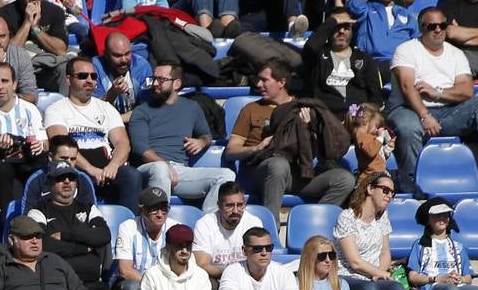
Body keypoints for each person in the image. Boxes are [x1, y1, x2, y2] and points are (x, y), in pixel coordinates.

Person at [387, 6, 478, 194]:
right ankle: (411, 181)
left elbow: (467, 90)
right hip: (409, 109)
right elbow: (407, 87)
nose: (437, 30)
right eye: (431, 26)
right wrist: (425, 115)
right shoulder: (406, 50)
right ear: (421, 28)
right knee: (408, 127)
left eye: (442, 25)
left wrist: (436, 92)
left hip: (448, 111)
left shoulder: (456, 54)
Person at [225, 59, 355, 219]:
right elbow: (231, 151)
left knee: (345, 179)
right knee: (278, 164)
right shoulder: (251, 109)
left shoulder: (304, 108)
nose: (258, 84)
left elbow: (315, 154)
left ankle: (313, 224)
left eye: (264, 80)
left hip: (296, 174)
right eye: (258, 80)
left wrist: (307, 129)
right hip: (260, 172)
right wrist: (257, 148)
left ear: (281, 82)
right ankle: (271, 230)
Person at [127, 61, 235, 212]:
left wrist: (202, 141)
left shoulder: (191, 107)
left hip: (180, 171)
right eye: (153, 79)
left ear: (177, 84)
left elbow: (206, 135)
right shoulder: (141, 111)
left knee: (226, 175)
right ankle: (159, 227)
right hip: (150, 169)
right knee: (160, 169)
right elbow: (141, 149)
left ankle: (206, 225)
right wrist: (165, 164)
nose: (155, 84)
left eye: (161, 79)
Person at [43, 55, 142, 211]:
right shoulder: (56, 109)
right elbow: (60, 145)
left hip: (107, 167)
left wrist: (113, 166)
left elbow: (122, 143)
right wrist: (90, 169)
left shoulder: (106, 108)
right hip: (75, 168)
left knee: (132, 175)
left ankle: (129, 225)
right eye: (83, 76)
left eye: (93, 76)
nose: (89, 80)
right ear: (68, 80)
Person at [25, 161, 115, 290]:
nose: (67, 182)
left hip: (90, 282)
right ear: (49, 183)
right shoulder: (38, 211)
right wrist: (83, 247)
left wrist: (66, 235)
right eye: (60, 178)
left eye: (71, 178)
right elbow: (43, 244)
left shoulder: (88, 208)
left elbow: (103, 235)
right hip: (56, 282)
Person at [0, 63, 48, 217]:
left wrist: (40, 146)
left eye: (5, 81)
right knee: (2, 170)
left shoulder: (29, 109)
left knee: (44, 164)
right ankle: (7, 224)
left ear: (14, 84)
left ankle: (41, 218)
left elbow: (44, 143)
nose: (0, 87)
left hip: (25, 160)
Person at [333, 172, 403, 290]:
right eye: (385, 190)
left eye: (392, 193)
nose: (389, 196)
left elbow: (385, 252)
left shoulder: (383, 217)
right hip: (347, 276)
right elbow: (354, 262)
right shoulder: (347, 217)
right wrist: (380, 274)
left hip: (374, 276)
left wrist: (379, 274)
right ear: (370, 189)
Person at [301, 8, 384, 116]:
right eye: (337, 27)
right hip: (325, 117)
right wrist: (332, 21)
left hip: (357, 121)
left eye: (346, 27)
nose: (341, 31)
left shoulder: (364, 59)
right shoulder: (318, 56)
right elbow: (310, 47)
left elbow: (376, 97)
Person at [0, 0, 69, 94]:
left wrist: (35, 28)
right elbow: (9, 55)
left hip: (47, 69)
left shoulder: (55, 11)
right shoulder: (5, 14)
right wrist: (27, 22)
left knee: (66, 68)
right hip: (18, 72)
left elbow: (61, 50)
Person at [113, 186, 173, 290]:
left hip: (167, 282)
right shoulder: (128, 227)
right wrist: (153, 284)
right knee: (132, 287)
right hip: (136, 281)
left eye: (164, 209)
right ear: (142, 210)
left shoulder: (175, 228)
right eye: (154, 209)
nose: (160, 214)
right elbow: (125, 270)